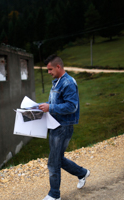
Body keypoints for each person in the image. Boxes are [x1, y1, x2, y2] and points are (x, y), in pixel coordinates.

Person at [38, 54, 90, 200]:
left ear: (58, 67)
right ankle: (82, 173)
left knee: (53, 161)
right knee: (58, 158)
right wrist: (45, 107)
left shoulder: (68, 83)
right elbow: (55, 103)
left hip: (63, 127)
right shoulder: (57, 81)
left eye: (50, 69)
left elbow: (72, 106)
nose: (48, 72)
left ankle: (54, 195)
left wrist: (51, 107)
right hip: (55, 125)